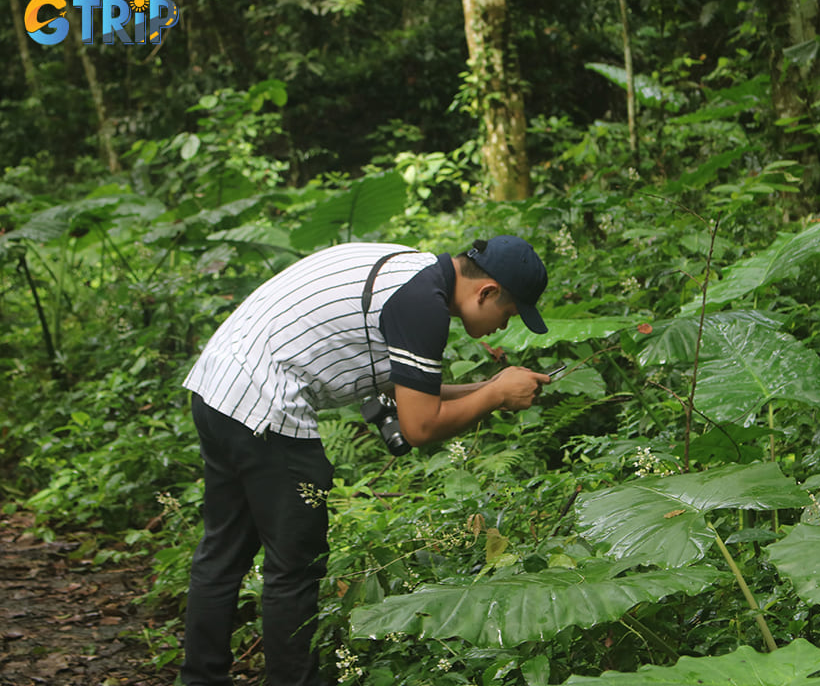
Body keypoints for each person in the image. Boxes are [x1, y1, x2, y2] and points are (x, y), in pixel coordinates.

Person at [179, 235, 551, 686]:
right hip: (265, 404)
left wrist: (489, 390)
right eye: (508, 314)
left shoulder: (412, 272)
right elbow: (420, 427)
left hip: (219, 386)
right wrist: (494, 394)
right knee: (294, 565)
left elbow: (411, 396)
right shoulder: (422, 305)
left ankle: (201, 676)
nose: (501, 327)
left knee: (223, 551)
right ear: (486, 292)